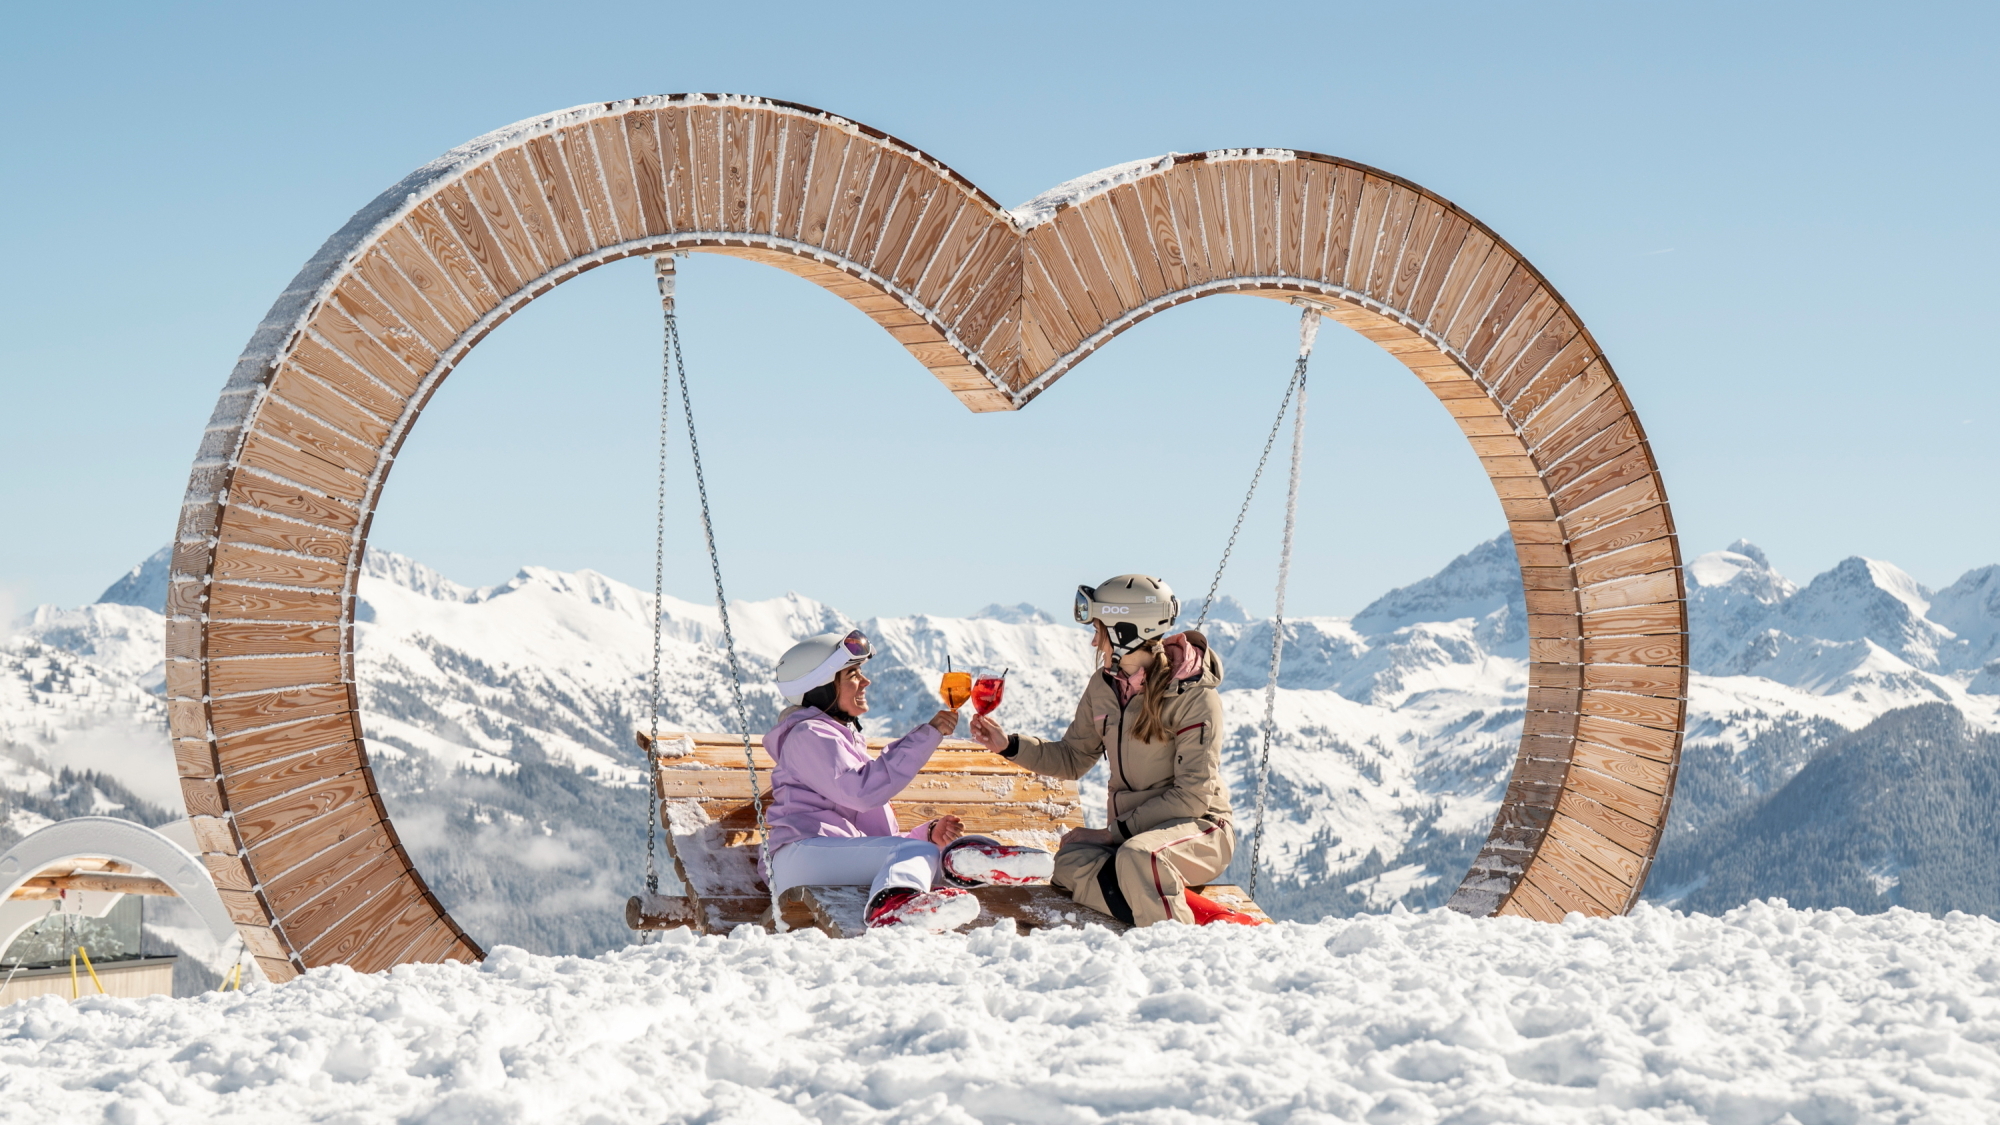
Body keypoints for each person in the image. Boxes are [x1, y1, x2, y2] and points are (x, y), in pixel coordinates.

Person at [970, 575, 1256, 927]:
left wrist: (1111, 834)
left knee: (1139, 857)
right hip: (1133, 834)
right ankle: (1172, 913)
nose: (1094, 640)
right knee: (1069, 861)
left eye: (1099, 631)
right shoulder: (1104, 687)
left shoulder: (1194, 696)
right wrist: (1009, 746)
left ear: (1125, 631)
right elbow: (1074, 757)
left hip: (1198, 828)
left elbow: (1192, 796)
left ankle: (1178, 946)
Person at [764, 629, 1053, 931]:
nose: (865, 681)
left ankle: (968, 859)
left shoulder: (839, 738)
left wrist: (926, 835)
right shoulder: (807, 735)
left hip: (824, 855)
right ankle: (895, 906)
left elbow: (869, 841)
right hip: (798, 858)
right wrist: (925, 736)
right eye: (852, 674)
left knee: (927, 852)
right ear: (819, 687)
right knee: (915, 854)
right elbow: (862, 792)